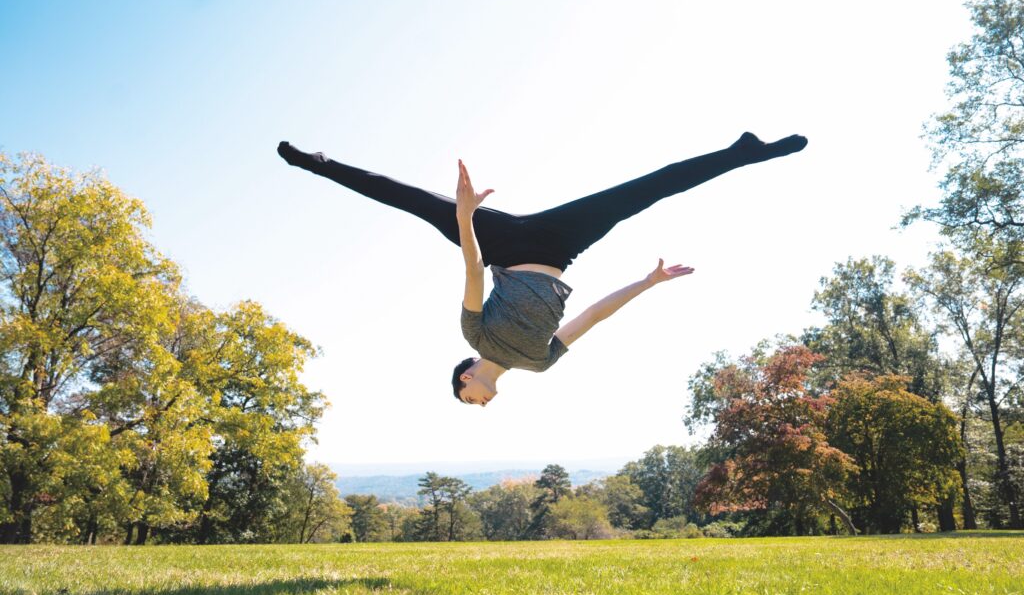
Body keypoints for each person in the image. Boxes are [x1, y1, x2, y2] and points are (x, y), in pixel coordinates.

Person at [277, 132, 807, 407]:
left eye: (470, 401)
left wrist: (465, 217)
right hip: (559, 248)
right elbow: (594, 316)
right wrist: (646, 284)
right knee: (645, 192)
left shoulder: (474, 334)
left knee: (407, 199)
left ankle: (314, 162)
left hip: (499, 244)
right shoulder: (539, 364)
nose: (479, 404)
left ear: (465, 378)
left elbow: (474, 268)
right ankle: (742, 153)